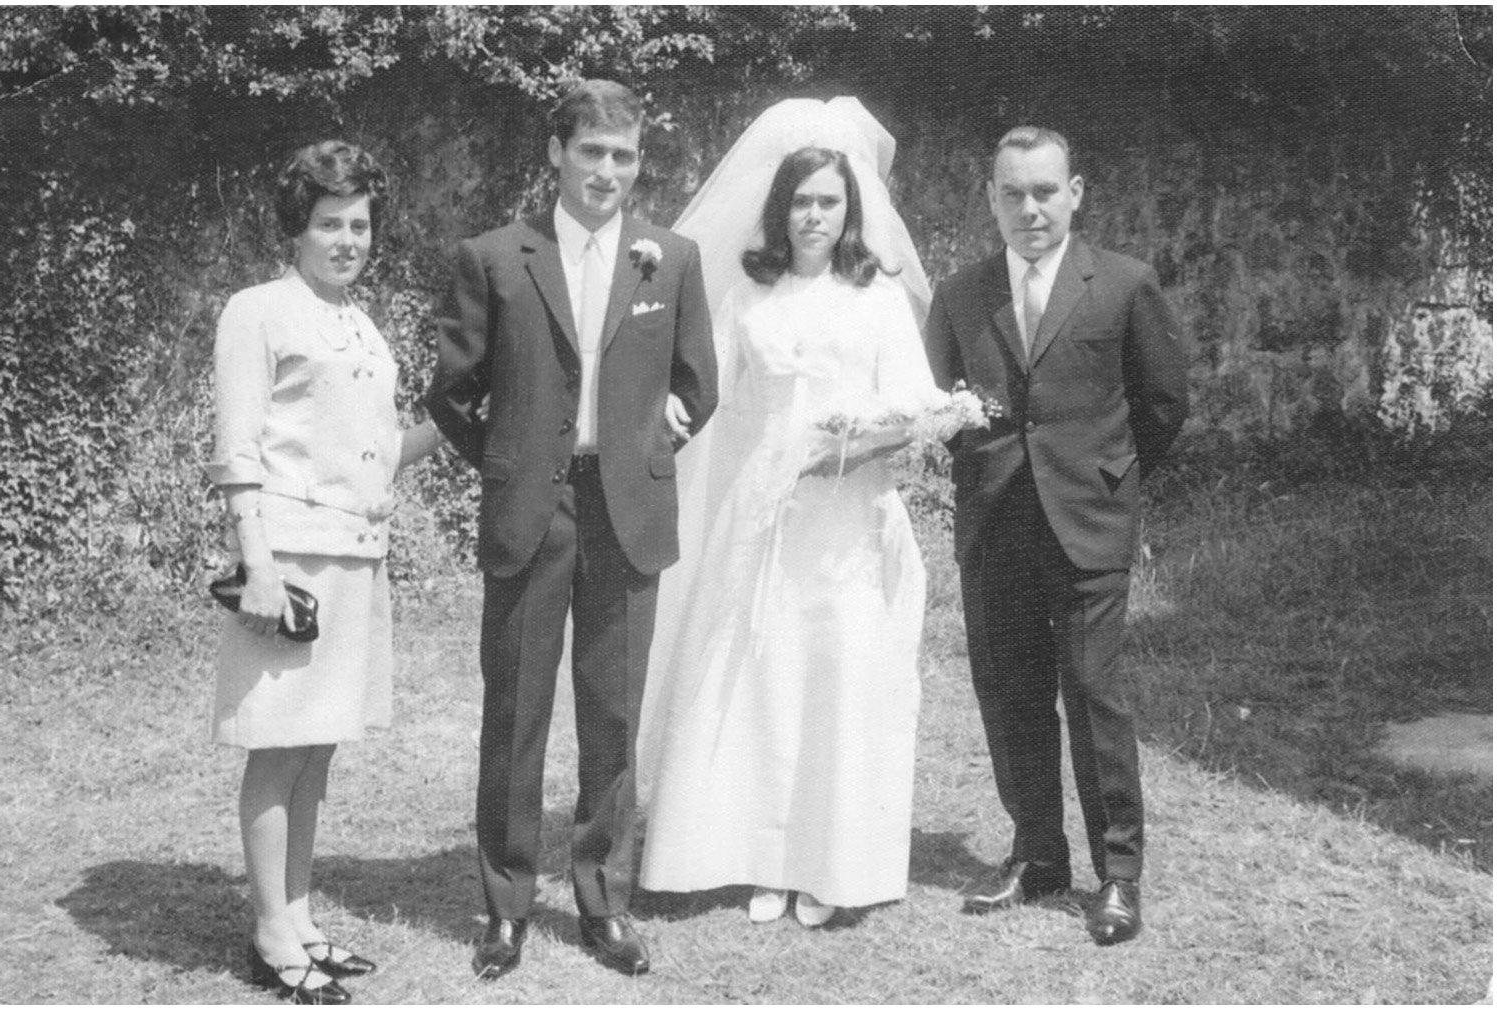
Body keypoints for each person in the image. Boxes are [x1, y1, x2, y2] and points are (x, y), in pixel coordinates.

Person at [423, 79, 719, 980]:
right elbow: (452, 392)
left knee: (612, 712)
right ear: (556, 153)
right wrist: (509, 461)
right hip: (532, 510)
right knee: (515, 711)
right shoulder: (494, 257)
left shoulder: (670, 259)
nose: (605, 171)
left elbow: (697, 385)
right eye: (590, 151)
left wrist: (650, 439)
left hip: (626, 512)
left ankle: (602, 899)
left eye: (622, 155)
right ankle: (506, 906)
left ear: (638, 163)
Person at [638, 98, 945, 928]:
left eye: (828, 202)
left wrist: (859, 444)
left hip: (848, 518)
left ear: (851, 210)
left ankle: (827, 862)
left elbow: (918, 408)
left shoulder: (875, 299)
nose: (814, 216)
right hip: (762, 508)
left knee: (836, 677)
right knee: (759, 676)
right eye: (801, 201)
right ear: (780, 209)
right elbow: (702, 389)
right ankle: (757, 858)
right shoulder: (749, 295)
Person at [923, 126, 1188, 946]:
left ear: (1074, 193)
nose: (1029, 208)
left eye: (1044, 191)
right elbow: (940, 405)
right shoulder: (960, 294)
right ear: (990, 199)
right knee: (1010, 694)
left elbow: (1162, 402)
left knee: (1091, 692)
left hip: (1087, 522)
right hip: (995, 522)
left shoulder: (1123, 284)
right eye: (1012, 193)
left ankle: (1118, 874)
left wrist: (1107, 477)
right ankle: (1036, 854)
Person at [208, 139, 441, 1004]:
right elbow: (237, 450)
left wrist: (459, 418)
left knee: (315, 750)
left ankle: (299, 915)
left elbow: (378, 455)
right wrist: (258, 565)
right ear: (296, 229)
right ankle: (270, 931)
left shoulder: (360, 325)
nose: (347, 241)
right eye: (329, 224)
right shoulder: (258, 311)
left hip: (354, 558)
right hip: (291, 562)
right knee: (277, 750)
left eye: (359, 225)